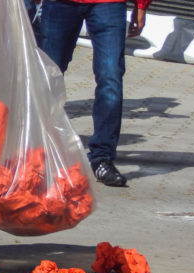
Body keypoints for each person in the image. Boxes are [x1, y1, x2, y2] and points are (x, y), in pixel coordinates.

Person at [39, 0, 152, 187]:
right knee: (47, 76)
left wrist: (141, 5)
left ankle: (102, 158)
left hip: (108, 5)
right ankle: (37, 150)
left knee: (110, 77)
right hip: (60, 5)